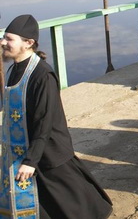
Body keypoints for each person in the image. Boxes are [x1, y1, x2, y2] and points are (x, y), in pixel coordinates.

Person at [0, 15, 113, 218]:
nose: (3, 42)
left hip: (47, 152)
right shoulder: (13, 69)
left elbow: (44, 121)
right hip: (21, 150)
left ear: (28, 43)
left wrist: (31, 161)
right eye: (4, 38)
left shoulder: (42, 75)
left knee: (74, 203)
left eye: (9, 39)